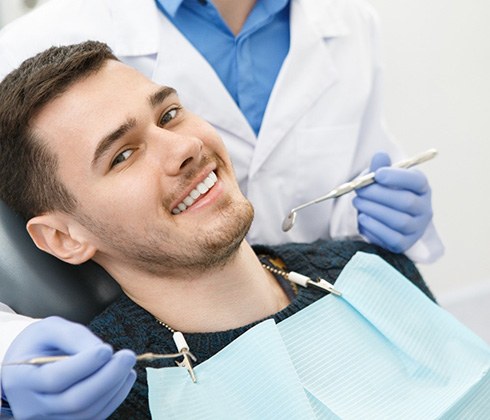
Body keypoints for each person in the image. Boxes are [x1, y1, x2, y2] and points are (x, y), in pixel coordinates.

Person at [0, 0, 443, 415]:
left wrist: (384, 229)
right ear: (63, 238)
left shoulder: (368, 274)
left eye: (170, 115)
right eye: (122, 155)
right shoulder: (117, 396)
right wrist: (12, 353)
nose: (186, 148)